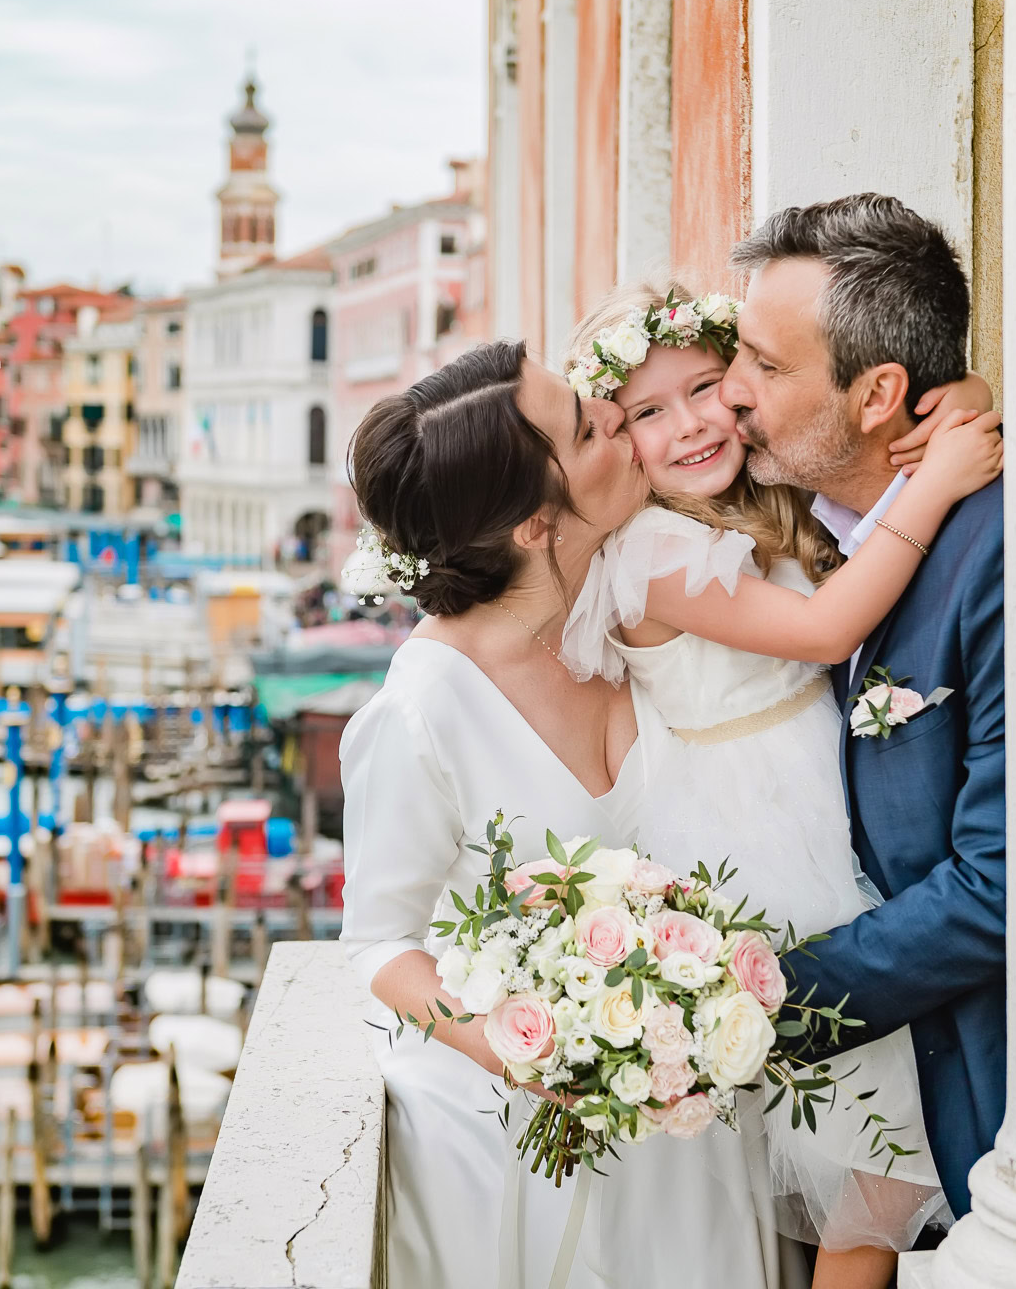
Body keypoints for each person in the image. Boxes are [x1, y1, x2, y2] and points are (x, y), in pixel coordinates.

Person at [554, 282, 999, 1288]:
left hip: (817, 797)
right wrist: (939, 485)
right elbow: (824, 629)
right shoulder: (655, 550)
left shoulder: (753, 488)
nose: (691, 425)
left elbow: (875, 428)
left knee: (857, 1148)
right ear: (618, 444)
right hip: (761, 837)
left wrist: (960, 394)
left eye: (708, 387)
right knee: (871, 1155)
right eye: (648, 415)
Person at [339, 341, 791, 1289]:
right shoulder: (421, 711)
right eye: (590, 428)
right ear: (537, 525)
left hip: (685, 1131)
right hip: (515, 1148)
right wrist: (533, 1049)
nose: (622, 419)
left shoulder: (636, 602)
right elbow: (380, 944)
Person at [718, 194, 1007, 1225]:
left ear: (881, 391)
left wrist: (737, 1009)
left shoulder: (999, 548)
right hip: (856, 1100)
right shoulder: (781, 534)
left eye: (763, 364)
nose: (729, 391)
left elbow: (999, 886)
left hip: (973, 1094)